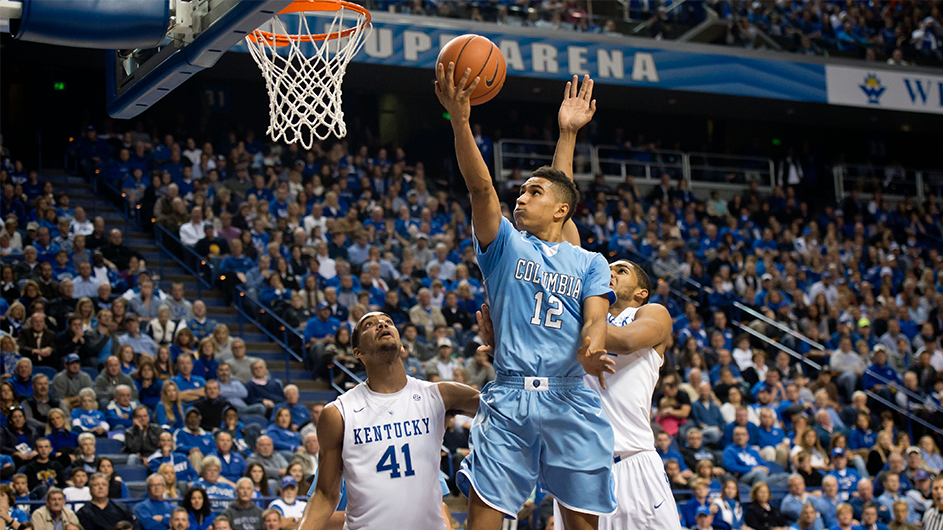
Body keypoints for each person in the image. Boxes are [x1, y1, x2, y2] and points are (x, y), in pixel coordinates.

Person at [435, 66, 615, 530]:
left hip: (569, 396)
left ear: (558, 210)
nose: (521, 197)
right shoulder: (505, 246)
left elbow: (596, 317)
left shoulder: (588, 261)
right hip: (511, 393)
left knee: (581, 523)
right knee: (483, 517)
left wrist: (593, 347)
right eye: (520, 191)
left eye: (533, 192)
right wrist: (460, 121)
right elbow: (480, 188)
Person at [302, 312, 479, 530]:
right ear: (358, 352)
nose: (381, 324)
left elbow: (501, 410)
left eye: (388, 322)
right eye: (369, 324)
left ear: (402, 347)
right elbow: (324, 495)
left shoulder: (440, 395)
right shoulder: (338, 413)